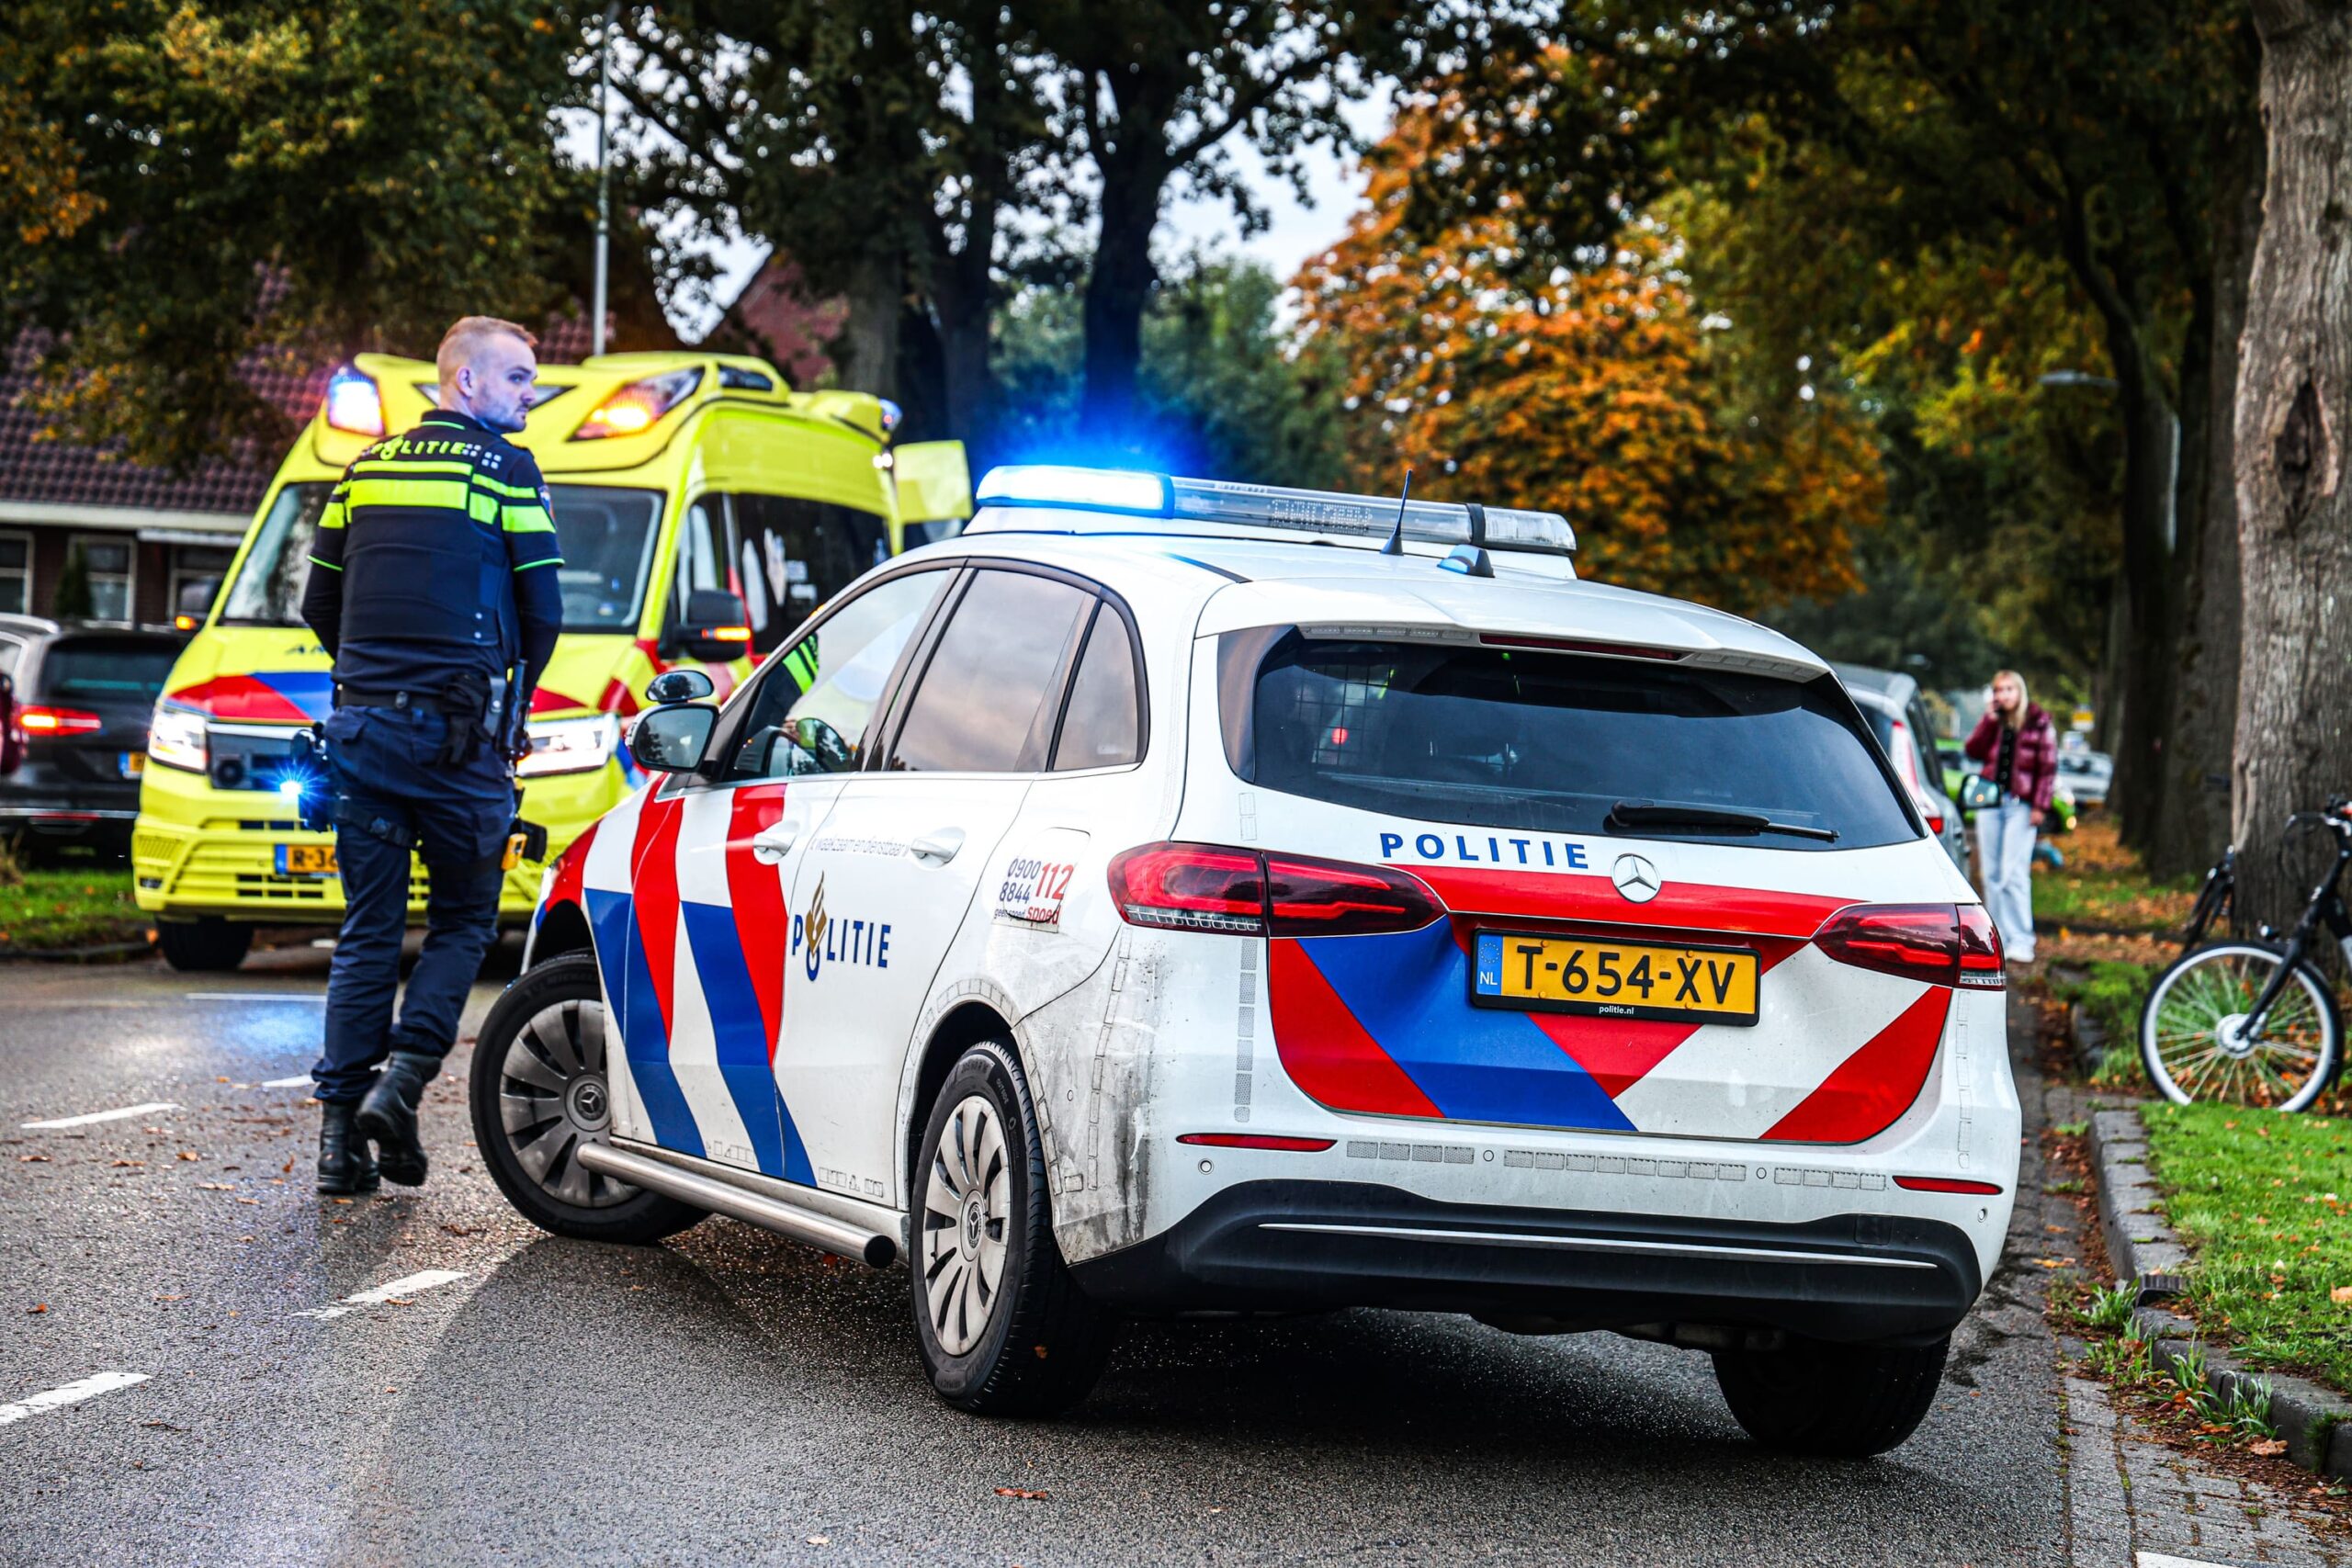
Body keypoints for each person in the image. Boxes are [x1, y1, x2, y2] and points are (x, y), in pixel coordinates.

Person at [300, 317, 563, 1194]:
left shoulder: (361, 470)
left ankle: (339, 1142)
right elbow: (544, 612)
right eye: (518, 378)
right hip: (459, 746)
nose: (530, 395)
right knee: (461, 922)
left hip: (364, 736)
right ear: (466, 383)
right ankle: (404, 1081)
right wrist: (510, 703)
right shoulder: (507, 471)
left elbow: (318, 604)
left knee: (367, 931)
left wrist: (372, 678)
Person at [1963, 669, 2058, 969]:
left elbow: (2048, 767)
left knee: (2013, 873)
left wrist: (2040, 806)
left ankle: (2022, 939)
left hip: (2021, 806)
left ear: (2019, 692)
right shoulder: (1994, 723)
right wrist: (1988, 720)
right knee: (1991, 873)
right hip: (1991, 803)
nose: (2002, 695)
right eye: (1997, 690)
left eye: (2008, 689)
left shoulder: (2039, 722)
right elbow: (1972, 750)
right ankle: (1999, 937)